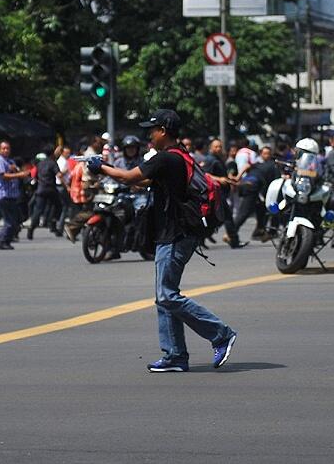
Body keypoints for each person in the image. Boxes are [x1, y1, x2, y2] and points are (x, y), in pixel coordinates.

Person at [86, 109, 237, 372]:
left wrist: (100, 166)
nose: (149, 136)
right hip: (174, 233)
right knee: (164, 296)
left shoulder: (166, 158)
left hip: (176, 234)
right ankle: (175, 356)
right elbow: (142, 183)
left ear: (164, 131)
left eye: (152, 130)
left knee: (167, 295)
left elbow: (130, 176)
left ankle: (220, 334)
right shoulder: (178, 157)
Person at [233, 146, 281, 242]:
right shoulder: (269, 165)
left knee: (262, 209)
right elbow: (277, 182)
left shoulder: (262, 164)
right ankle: (231, 233)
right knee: (244, 212)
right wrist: (238, 177)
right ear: (261, 154)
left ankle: (259, 231)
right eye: (264, 153)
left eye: (268, 153)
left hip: (253, 188)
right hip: (251, 187)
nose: (266, 155)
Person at [202, 138, 243, 248]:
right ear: (211, 148)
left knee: (218, 219)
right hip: (216, 192)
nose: (218, 148)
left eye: (220, 146)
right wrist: (219, 179)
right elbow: (205, 174)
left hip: (221, 192)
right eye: (216, 146)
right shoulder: (210, 160)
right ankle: (234, 241)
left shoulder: (219, 159)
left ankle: (201, 237)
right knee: (227, 216)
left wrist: (230, 179)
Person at [0, 141, 30, 250]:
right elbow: (3, 176)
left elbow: (16, 171)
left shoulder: (10, 161)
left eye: (7, 148)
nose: (6, 150)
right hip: (4, 194)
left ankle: (4, 239)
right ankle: (2, 240)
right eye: (3, 148)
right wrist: (19, 174)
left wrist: (18, 171)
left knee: (16, 219)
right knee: (10, 221)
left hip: (13, 195)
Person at [27, 145, 63, 240]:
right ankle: (53, 223)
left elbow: (35, 176)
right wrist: (66, 184)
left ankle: (31, 228)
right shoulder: (53, 163)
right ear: (52, 153)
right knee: (58, 206)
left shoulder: (40, 164)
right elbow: (59, 175)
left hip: (41, 189)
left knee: (38, 210)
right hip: (51, 188)